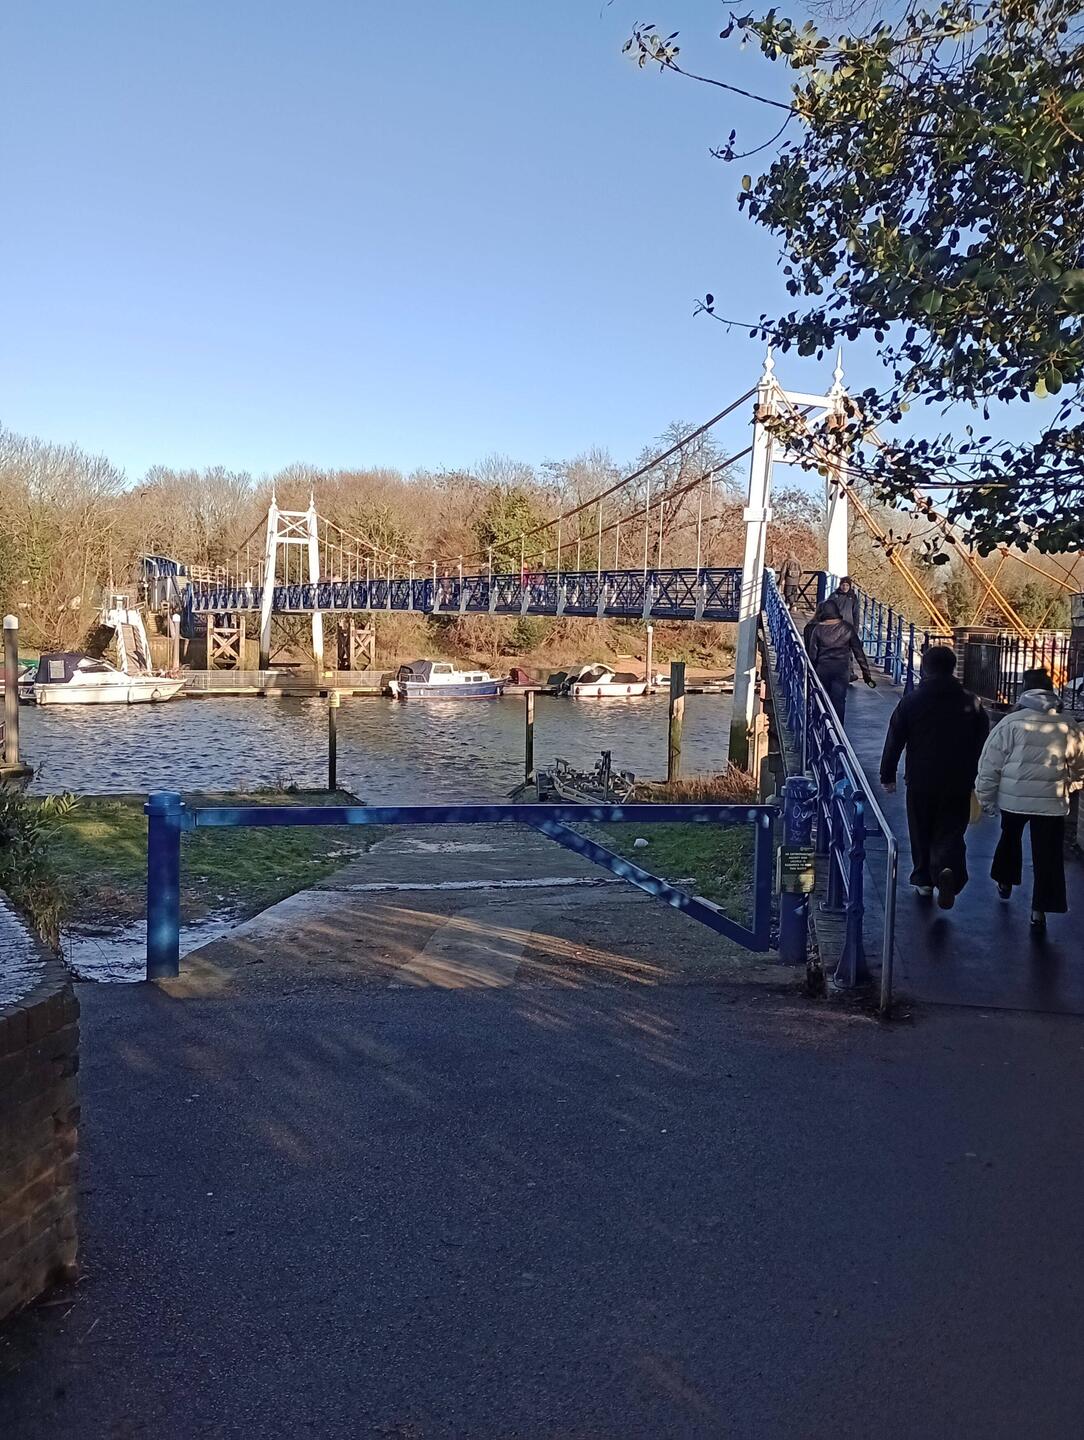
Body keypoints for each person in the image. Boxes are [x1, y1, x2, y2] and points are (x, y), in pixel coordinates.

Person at [879, 645, 989, 908]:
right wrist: (978, 773)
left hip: (921, 777)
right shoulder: (971, 702)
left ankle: (924, 879)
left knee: (921, 828)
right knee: (952, 829)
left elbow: (895, 738)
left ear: (925, 668)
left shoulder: (912, 701)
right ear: (953, 668)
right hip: (960, 778)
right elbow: (983, 740)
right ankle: (948, 869)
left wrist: (887, 774)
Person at [975, 668, 1084, 931]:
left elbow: (990, 764)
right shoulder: (1067, 725)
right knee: (1048, 855)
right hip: (1052, 801)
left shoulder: (1010, 723)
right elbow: (1080, 764)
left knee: (1009, 838)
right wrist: (1072, 784)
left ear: (1024, 690)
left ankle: (1004, 879)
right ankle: (1039, 910)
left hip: (1014, 799)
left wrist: (985, 798)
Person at [807, 598, 875, 721]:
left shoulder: (818, 629)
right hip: (841, 671)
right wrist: (866, 674)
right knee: (839, 701)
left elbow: (812, 655)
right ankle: (837, 728)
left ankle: (820, 727)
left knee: (821, 701)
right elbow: (859, 652)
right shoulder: (847, 628)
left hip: (823, 670)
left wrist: (810, 674)